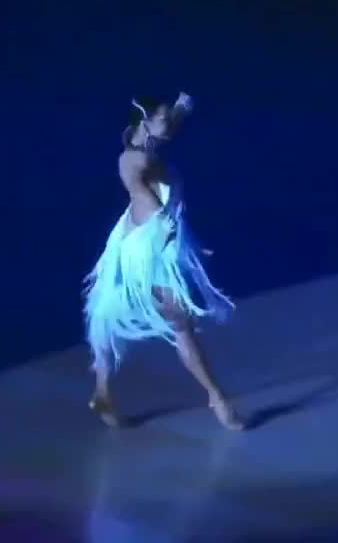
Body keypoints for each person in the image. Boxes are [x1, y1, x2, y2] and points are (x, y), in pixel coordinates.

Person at [83, 92, 244, 431]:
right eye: (163, 119)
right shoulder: (132, 160)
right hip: (146, 249)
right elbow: (144, 191)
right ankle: (217, 398)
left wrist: (181, 109)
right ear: (143, 123)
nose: (169, 125)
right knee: (179, 323)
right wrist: (168, 224)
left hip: (143, 238)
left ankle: (103, 392)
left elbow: (163, 132)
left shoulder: (146, 145)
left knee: (112, 314)